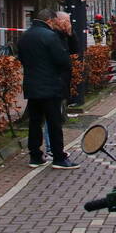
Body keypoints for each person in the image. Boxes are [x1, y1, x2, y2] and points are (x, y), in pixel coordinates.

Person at [16, 9, 79, 170]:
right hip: (50, 86)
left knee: (35, 122)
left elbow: (21, 58)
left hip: (32, 85)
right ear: (50, 21)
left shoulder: (25, 36)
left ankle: (35, 156)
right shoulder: (50, 36)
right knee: (54, 122)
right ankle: (59, 157)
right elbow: (63, 61)